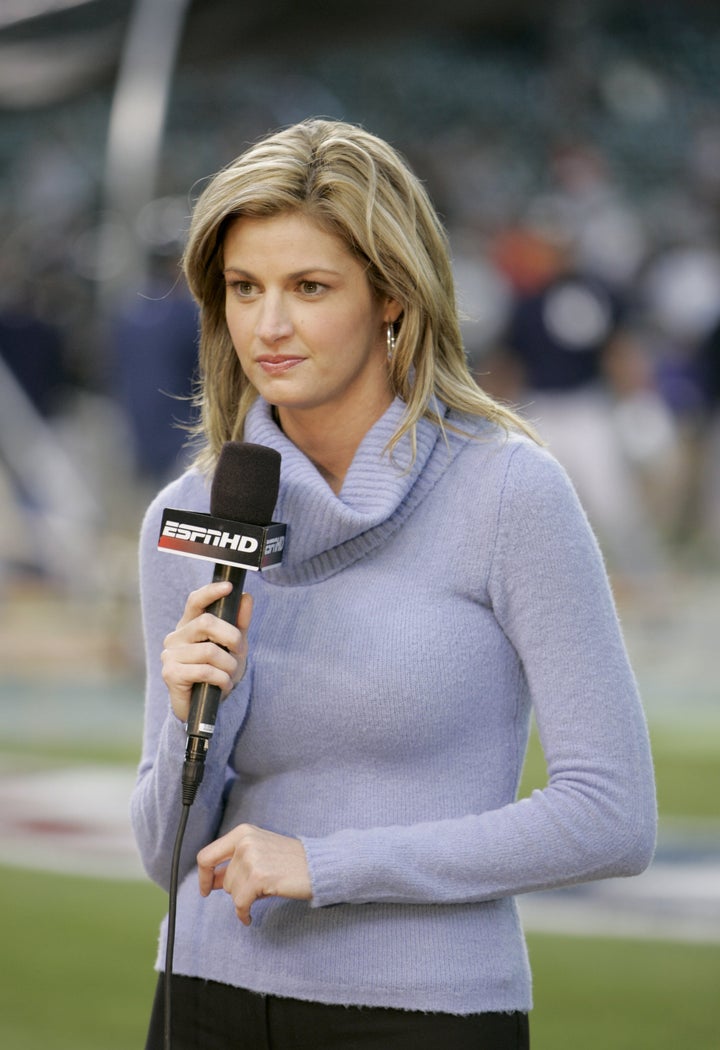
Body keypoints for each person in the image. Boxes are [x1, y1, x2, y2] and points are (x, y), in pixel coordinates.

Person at [131, 119, 657, 1050]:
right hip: (204, 994)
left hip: (423, 1013)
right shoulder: (192, 511)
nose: (269, 325)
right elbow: (158, 848)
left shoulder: (508, 492)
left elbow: (610, 816)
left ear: (393, 299)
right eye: (245, 288)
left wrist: (324, 865)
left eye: (310, 287)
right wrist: (187, 722)